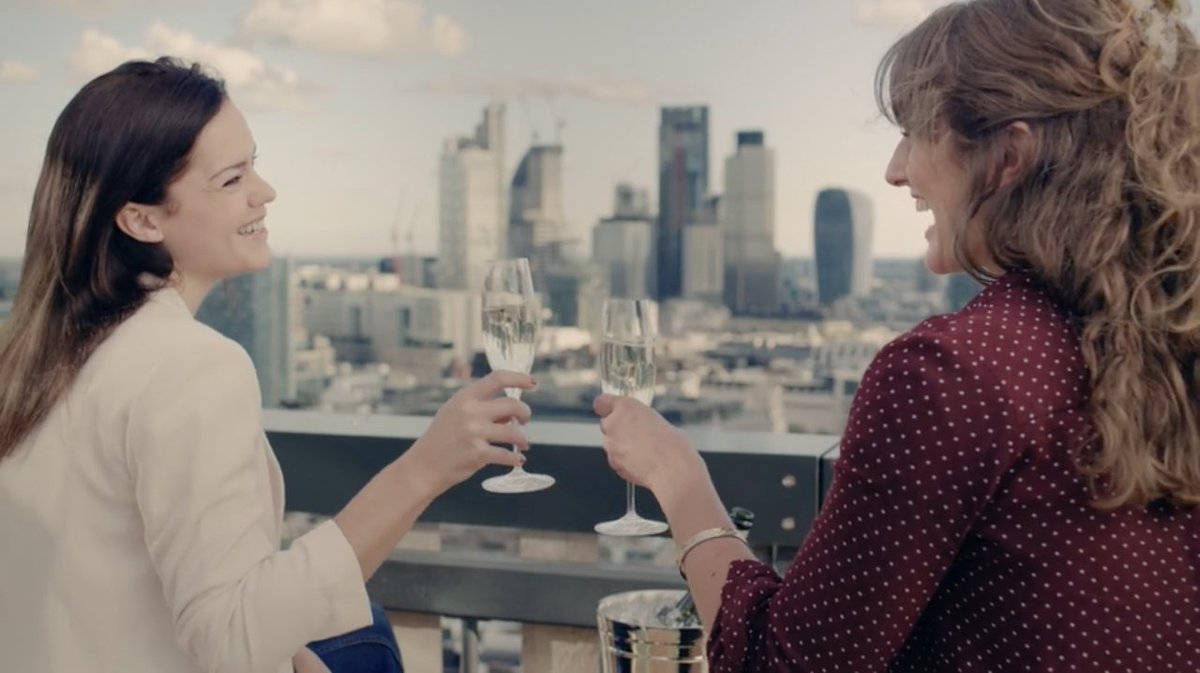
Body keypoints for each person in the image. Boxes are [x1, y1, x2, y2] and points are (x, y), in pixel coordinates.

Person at [594, 0, 1200, 670]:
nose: (895, 168)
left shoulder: (950, 373)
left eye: (916, 133)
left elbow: (789, 663)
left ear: (1009, 157)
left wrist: (678, 477)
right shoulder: (1168, 338)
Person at [0, 57, 535, 673]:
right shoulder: (192, 367)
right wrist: (426, 467)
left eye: (253, 164)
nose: (265, 191)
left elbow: (91, 589)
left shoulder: (32, 360)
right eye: (230, 180)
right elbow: (230, 638)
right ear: (142, 218)